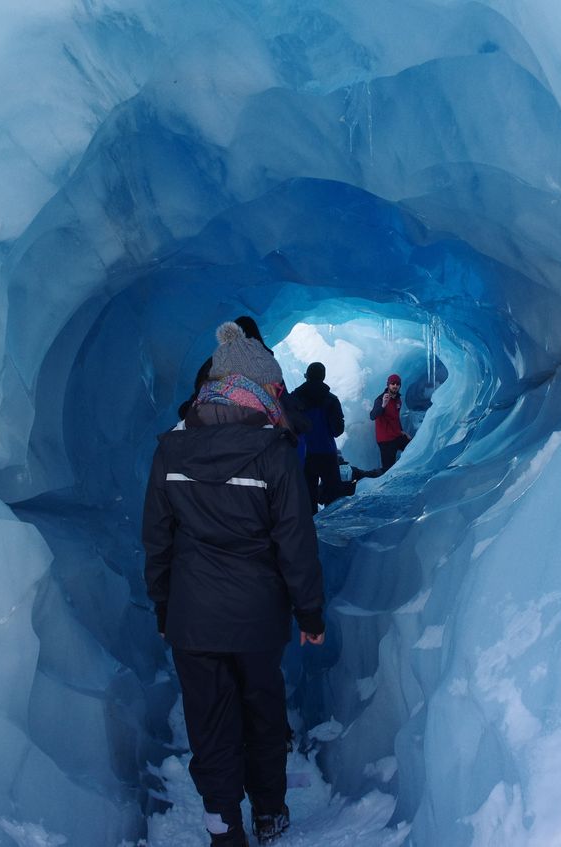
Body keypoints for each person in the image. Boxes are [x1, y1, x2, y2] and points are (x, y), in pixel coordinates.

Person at [144, 320, 326, 847]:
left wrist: (164, 608)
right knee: (262, 710)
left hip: (192, 617)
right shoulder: (274, 452)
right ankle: (268, 811)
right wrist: (309, 614)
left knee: (210, 722)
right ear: (258, 389)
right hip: (257, 617)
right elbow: (296, 541)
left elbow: (156, 539)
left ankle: (223, 825)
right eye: (274, 388)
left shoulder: (170, 451)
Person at [178, 315, 309, 434]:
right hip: (258, 438)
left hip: (210, 432)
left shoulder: (214, 362)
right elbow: (281, 402)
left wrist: (189, 410)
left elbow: (199, 394)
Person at [290, 362, 345, 509]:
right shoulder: (331, 400)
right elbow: (337, 430)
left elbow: (289, 426)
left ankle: (310, 530)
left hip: (304, 454)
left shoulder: (294, 398)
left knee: (307, 500)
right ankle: (331, 528)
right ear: (323, 376)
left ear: (306, 376)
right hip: (327, 453)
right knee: (333, 498)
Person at [369, 373, 409, 471]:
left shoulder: (398, 400)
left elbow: (396, 418)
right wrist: (383, 405)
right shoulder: (380, 399)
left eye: (397, 384)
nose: (395, 386)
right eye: (393, 383)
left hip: (397, 436)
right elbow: (372, 416)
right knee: (388, 469)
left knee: (414, 449)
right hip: (385, 440)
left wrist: (402, 431)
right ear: (388, 385)